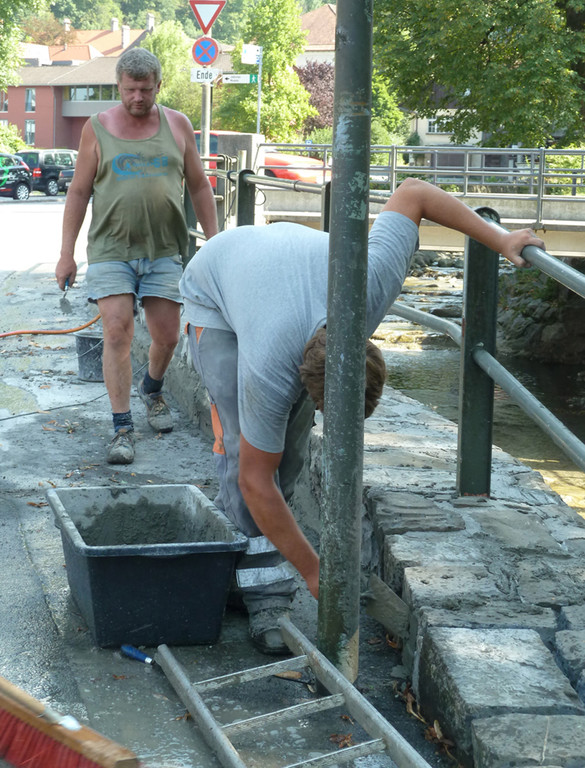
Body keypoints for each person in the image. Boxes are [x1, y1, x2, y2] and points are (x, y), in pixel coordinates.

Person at [180, 177, 545, 654]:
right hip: (216, 288)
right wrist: (315, 572)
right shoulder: (269, 367)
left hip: (282, 274)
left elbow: (413, 193)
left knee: (286, 455)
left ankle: (238, 554)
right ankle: (265, 595)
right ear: (305, 384)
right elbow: (254, 478)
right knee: (241, 451)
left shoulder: (372, 286)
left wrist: (501, 240)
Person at [55, 47, 218, 465]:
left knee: (167, 336)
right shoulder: (97, 128)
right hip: (111, 249)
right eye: (130, 90)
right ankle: (122, 427)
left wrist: (217, 244)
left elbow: (199, 186)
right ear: (119, 86)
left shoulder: (178, 125)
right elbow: (79, 191)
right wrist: (66, 254)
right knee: (116, 332)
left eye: (145, 90)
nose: (138, 98)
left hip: (164, 250)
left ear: (158, 85)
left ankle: (152, 389)